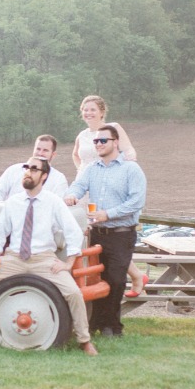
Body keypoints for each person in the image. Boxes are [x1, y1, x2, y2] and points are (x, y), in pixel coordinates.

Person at [0, 156, 97, 356]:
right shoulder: (13, 202)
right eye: (26, 168)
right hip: (13, 259)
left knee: (73, 293)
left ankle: (84, 340)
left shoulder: (53, 202)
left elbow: (73, 231)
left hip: (44, 259)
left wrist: (68, 263)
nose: (28, 172)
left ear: (44, 176)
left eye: (34, 169)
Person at [65, 123, 147, 337]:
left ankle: (112, 326)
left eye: (103, 140)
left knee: (116, 279)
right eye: (96, 141)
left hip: (121, 233)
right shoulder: (92, 168)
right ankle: (96, 324)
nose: (98, 144)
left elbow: (137, 202)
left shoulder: (131, 169)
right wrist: (72, 194)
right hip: (97, 233)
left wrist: (107, 214)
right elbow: (78, 185)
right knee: (94, 280)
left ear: (115, 142)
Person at [71, 95, 147, 297]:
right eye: (85, 109)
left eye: (92, 109)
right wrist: (82, 170)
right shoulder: (82, 135)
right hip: (87, 183)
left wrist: (127, 165)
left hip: (109, 184)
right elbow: (76, 154)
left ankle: (135, 276)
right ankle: (89, 278)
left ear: (102, 112)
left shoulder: (113, 128)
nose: (88, 113)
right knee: (87, 234)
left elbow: (128, 150)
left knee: (112, 240)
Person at [0, 135, 68, 202]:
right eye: (38, 149)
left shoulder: (59, 179)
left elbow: (58, 204)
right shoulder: (13, 170)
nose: (40, 153)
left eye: (45, 150)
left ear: (53, 154)